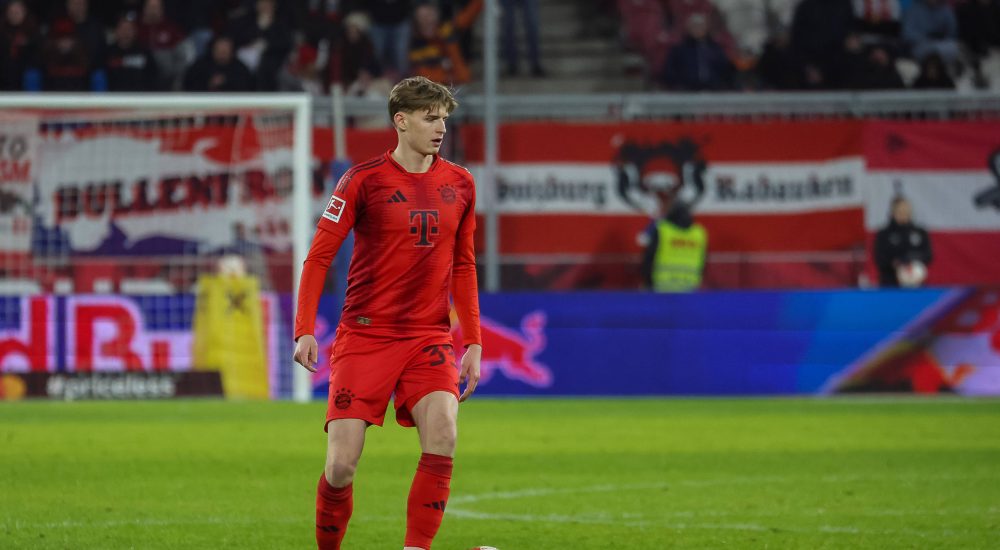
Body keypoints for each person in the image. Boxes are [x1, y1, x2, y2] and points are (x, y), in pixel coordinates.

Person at [292, 76, 482, 550]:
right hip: (365, 336)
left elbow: (464, 264)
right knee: (341, 465)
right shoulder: (362, 180)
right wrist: (304, 329)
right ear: (401, 121)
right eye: (429, 117)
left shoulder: (460, 182)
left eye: (444, 118)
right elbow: (318, 258)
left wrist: (474, 341)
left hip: (428, 337)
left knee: (444, 434)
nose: (440, 128)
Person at [639, 190, 708, 292]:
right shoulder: (699, 233)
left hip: (661, 285)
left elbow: (649, 257)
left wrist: (647, 281)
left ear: (671, 213)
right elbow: (704, 260)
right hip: (689, 285)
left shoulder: (662, 230)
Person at [873, 196, 932, 288]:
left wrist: (911, 260)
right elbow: (879, 258)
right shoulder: (884, 234)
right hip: (890, 285)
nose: (904, 214)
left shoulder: (920, 233)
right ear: (893, 212)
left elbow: (928, 255)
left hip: (917, 285)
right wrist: (895, 263)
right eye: (900, 211)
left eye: (906, 210)